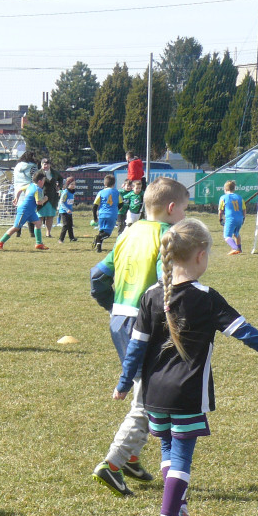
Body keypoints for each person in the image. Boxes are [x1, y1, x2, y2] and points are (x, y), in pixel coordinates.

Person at [112, 218, 258, 516]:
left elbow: (135, 347)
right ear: (200, 255)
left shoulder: (151, 296)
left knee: (167, 449)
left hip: (152, 395)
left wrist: (122, 383)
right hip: (187, 395)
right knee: (182, 459)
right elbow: (248, 335)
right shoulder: (206, 298)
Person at [89, 177, 189, 497]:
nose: (185, 217)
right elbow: (180, 290)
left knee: (143, 387)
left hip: (121, 319)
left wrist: (114, 307)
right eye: (185, 211)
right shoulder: (171, 237)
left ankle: (132, 458)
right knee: (149, 399)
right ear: (172, 209)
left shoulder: (128, 232)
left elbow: (98, 277)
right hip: (149, 325)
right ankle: (113, 462)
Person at [0, 170, 48, 250]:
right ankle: (1, 241)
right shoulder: (38, 189)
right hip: (24, 210)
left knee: (38, 223)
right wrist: (45, 199)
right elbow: (38, 202)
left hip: (30, 211)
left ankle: (39, 244)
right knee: (16, 227)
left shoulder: (30, 185)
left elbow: (20, 189)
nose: (44, 182)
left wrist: (16, 197)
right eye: (44, 180)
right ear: (40, 181)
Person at [91, 174, 121, 253]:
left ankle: (99, 248)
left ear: (105, 184)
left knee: (101, 231)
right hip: (111, 214)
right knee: (107, 234)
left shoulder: (100, 192)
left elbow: (95, 205)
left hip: (102, 214)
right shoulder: (116, 192)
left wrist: (95, 217)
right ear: (114, 184)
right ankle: (98, 238)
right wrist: (116, 209)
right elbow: (121, 203)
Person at [12, 150, 38, 238]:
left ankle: (18, 232)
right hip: (28, 189)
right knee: (30, 210)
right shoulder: (32, 166)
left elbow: (14, 179)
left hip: (18, 190)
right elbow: (34, 178)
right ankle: (32, 232)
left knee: (20, 211)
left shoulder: (17, 166)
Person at [218, 180, 245, 255]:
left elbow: (221, 210)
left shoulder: (223, 197)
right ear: (234, 189)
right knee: (236, 233)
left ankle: (235, 248)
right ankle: (239, 248)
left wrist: (220, 219)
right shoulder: (239, 197)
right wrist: (243, 218)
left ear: (225, 189)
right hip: (240, 218)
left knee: (226, 236)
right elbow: (244, 209)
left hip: (231, 219)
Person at [38, 157, 62, 238]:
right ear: (41, 164)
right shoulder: (38, 173)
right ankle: (38, 233)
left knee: (50, 216)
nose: (46, 166)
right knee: (40, 216)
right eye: (44, 164)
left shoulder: (54, 173)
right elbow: (34, 182)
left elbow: (61, 179)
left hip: (52, 197)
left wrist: (59, 186)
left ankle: (48, 233)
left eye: (47, 164)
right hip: (41, 196)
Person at [58, 176, 77, 242]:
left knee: (70, 225)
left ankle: (71, 238)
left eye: (74, 184)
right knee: (65, 225)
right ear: (68, 184)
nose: (73, 186)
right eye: (71, 184)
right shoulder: (65, 192)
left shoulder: (72, 192)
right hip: (64, 211)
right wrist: (66, 209)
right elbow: (61, 202)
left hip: (69, 211)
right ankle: (61, 239)